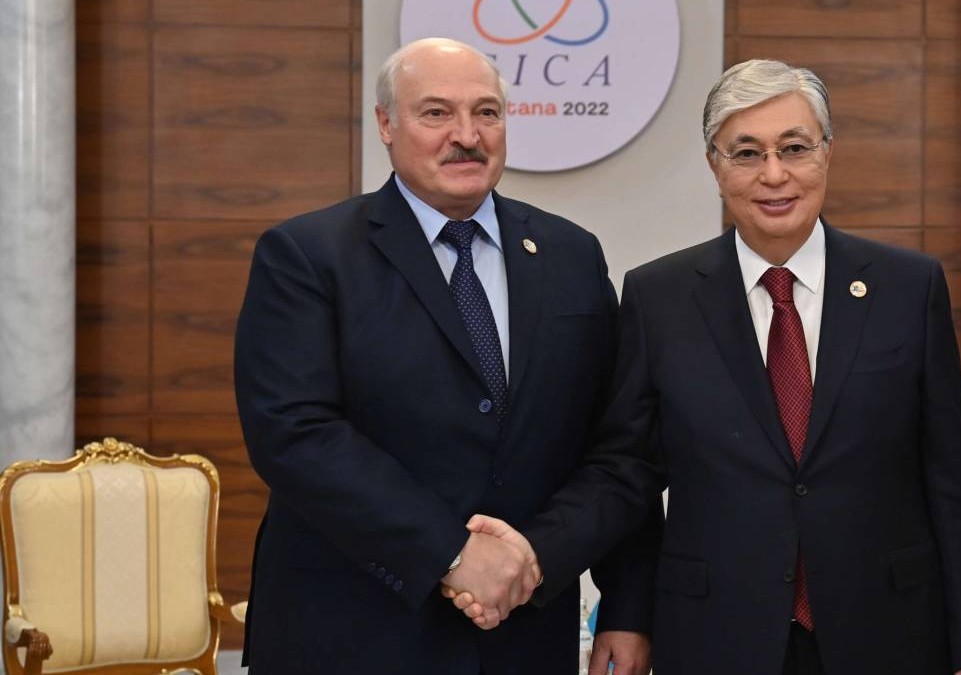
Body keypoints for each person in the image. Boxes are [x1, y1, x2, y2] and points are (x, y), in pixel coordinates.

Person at [455, 59, 961, 674]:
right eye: (746, 153)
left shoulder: (909, 288)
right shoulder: (659, 298)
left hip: (888, 634)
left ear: (827, 152)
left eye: (794, 148)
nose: (774, 175)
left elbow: (955, 487)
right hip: (716, 636)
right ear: (714, 166)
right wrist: (578, 579)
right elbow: (627, 472)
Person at [233, 37, 655, 674]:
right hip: (352, 633)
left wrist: (616, 601)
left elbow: (619, 445)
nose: (467, 136)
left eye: (486, 113)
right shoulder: (307, 256)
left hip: (523, 633)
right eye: (436, 113)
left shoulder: (572, 254)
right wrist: (453, 554)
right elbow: (294, 434)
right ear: (386, 124)